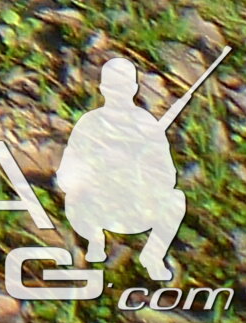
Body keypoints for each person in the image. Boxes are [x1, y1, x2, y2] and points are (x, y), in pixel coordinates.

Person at [58, 59, 188, 281]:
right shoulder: (90, 123)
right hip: (99, 204)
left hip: (137, 202)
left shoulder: (145, 123)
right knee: (74, 198)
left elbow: (167, 175)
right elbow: (67, 173)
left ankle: (154, 254)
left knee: (176, 199)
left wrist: (141, 166)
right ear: (103, 90)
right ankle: (95, 244)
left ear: (134, 89)